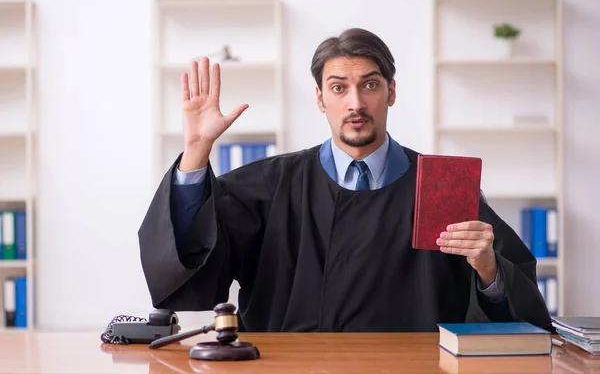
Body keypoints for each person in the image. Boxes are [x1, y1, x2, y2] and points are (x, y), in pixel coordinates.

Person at [138, 28, 552, 332]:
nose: (355, 103)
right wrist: (195, 151)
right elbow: (193, 264)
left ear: (390, 92)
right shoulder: (268, 185)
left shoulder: (443, 187)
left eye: (369, 85)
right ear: (320, 99)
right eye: (339, 88)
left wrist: (488, 268)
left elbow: (520, 312)